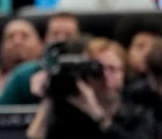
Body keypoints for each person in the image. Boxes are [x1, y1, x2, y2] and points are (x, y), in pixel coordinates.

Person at [26, 38, 157, 139]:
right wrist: (50, 95)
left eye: (112, 69)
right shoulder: (71, 115)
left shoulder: (139, 113)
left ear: (123, 74)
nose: (105, 76)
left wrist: (98, 115)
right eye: (98, 69)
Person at [0, 12, 81, 105]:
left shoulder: (91, 75)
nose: (61, 40)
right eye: (55, 34)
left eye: (68, 35)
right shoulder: (23, 76)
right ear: (45, 40)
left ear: (80, 40)